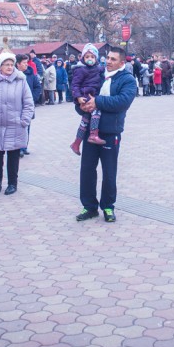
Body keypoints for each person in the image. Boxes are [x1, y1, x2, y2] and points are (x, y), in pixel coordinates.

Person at [76, 47, 136, 223]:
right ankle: (89, 207)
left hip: (110, 131)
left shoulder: (127, 79)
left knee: (109, 172)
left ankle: (108, 206)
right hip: (90, 131)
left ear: (122, 62)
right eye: (107, 58)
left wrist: (97, 101)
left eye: (113, 59)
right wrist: (81, 105)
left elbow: (122, 101)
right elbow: (83, 91)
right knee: (87, 170)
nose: (108, 61)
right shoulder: (97, 73)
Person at [0, 51, 35, 195]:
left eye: (12, 64)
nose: (10, 67)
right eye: (6, 64)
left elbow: (28, 103)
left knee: (13, 157)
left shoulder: (20, 80)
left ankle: (12, 183)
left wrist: (24, 121)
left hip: (15, 124)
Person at [70, 44, 105, 155]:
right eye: (87, 57)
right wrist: (78, 97)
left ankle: (76, 143)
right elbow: (75, 84)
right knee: (96, 111)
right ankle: (93, 134)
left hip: (93, 94)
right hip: (86, 95)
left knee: (85, 121)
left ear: (96, 58)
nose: (90, 59)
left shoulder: (99, 68)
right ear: (83, 58)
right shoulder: (80, 69)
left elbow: (104, 73)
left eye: (92, 57)